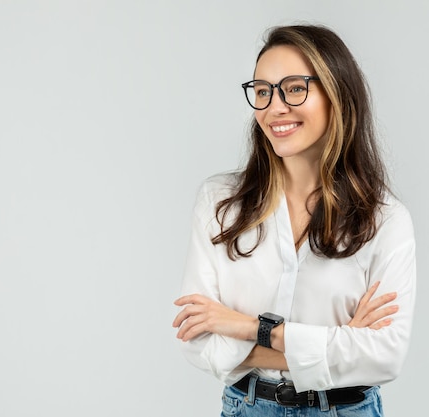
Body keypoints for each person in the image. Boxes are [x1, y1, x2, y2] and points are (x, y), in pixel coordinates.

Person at [171, 24, 416, 416]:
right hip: (248, 408)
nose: (274, 106)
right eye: (263, 91)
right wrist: (340, 344)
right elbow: (196, 340)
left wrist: (249, 328)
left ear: (337, 95)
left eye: (295, 88)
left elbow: (385, 357)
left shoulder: (384, 220)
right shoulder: (220, 204)